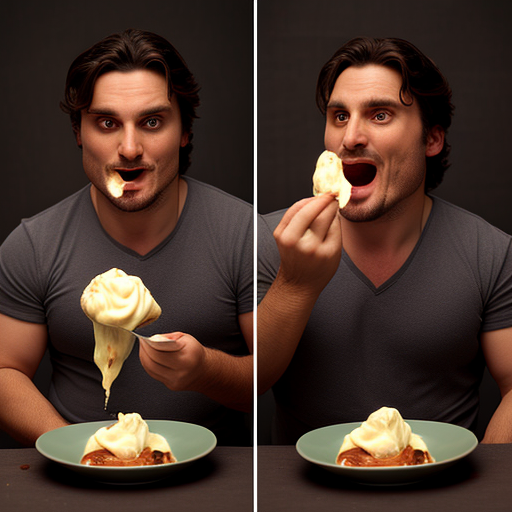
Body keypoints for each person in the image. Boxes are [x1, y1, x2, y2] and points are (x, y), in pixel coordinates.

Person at [0, 29, 253, 446]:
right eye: (106, 123)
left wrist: (206, 370)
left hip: (214, 481)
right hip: (78, 478)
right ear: (79, 132)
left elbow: (271, 381)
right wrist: (82, 451)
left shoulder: (244, 235)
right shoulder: (33, 245)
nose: (130, 148)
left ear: (185, 131)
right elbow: (6, 372)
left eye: (152, 122)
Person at [257, 37, 512, 444]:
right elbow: (243, 382)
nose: (351, 137)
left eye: (379, 115)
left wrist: (480, 488)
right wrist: (294, 283)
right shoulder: (270, 244)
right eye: (339, 116)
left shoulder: (492, 255)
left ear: (431, 139)